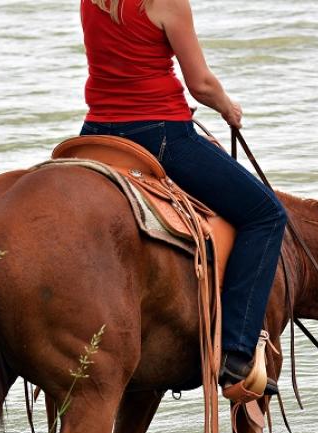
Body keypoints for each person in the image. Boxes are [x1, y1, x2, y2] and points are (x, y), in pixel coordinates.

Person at [79, 0, 286, 390]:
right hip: (159, 134)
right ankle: (238, 353)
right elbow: (201, 84)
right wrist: (228, 108)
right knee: (266, 215)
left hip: (95, 133)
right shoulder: (167, 2)